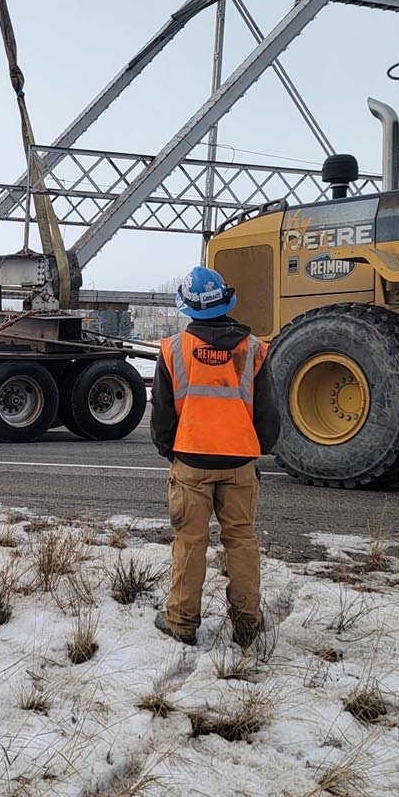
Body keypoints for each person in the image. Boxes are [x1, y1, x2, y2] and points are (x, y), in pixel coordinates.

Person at [151, 266, 278, 648]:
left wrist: (172, 452)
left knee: (190, 542)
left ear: (187, 307)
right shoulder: (254, 349)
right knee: (241, 540)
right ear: (226, 300)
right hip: (239, 463)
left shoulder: (173, 350)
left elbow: (161, 416)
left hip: (191, 461)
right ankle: (246, 622)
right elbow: (269, 416)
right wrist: (254, 451)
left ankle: (181, 622)